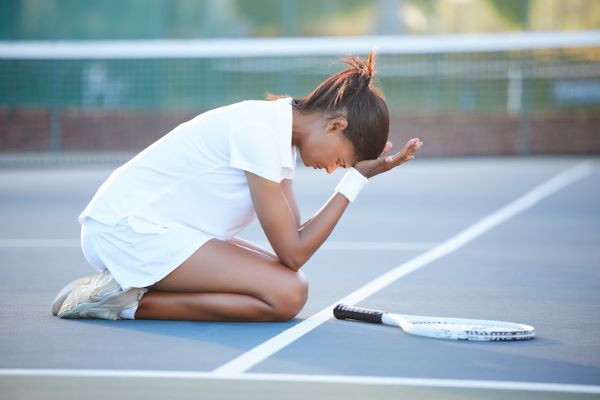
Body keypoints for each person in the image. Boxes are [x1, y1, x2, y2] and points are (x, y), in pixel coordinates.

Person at [52, 50, 423, 322]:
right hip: (125, 231)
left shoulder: (278, 137)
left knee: (288, 285)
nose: (331, 170)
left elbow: (289, 251)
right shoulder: (260, 133)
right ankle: (119, 303)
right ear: (335, 126)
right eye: (340, 161)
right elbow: (293, 252)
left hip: (155, 232)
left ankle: (125, 291)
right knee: (287, 293)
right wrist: (355, 181)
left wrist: (353, 176)